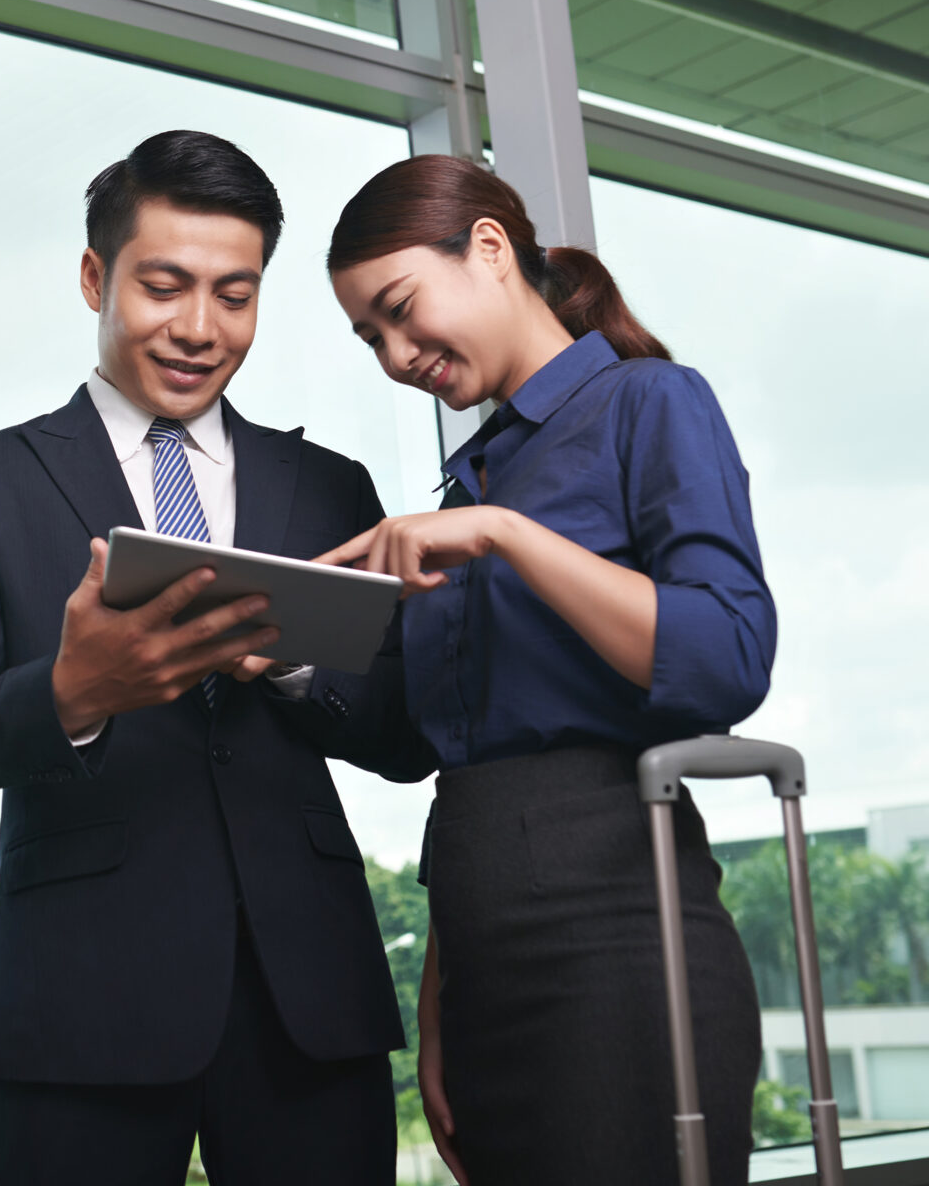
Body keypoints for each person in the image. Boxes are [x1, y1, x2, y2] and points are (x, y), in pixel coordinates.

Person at [0, 129, 432, 1185]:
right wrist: (73, 691)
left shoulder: (327, 487)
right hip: (82, 1001)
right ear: (95, 277)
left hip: (308, 1001)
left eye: (235, 294)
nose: (198, 328)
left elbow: (408, 737)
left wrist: (285, 660)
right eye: (164, 286)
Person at [318, 154, 771, 1185]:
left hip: (620, 935)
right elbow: (467, 766)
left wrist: (507, 536)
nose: (394, 354)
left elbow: (727, 655)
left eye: (398, 309)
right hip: (483, 950)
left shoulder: (648, 405)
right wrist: (442, 999)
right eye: (368, 338)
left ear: (487, 248)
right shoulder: (475, 473)